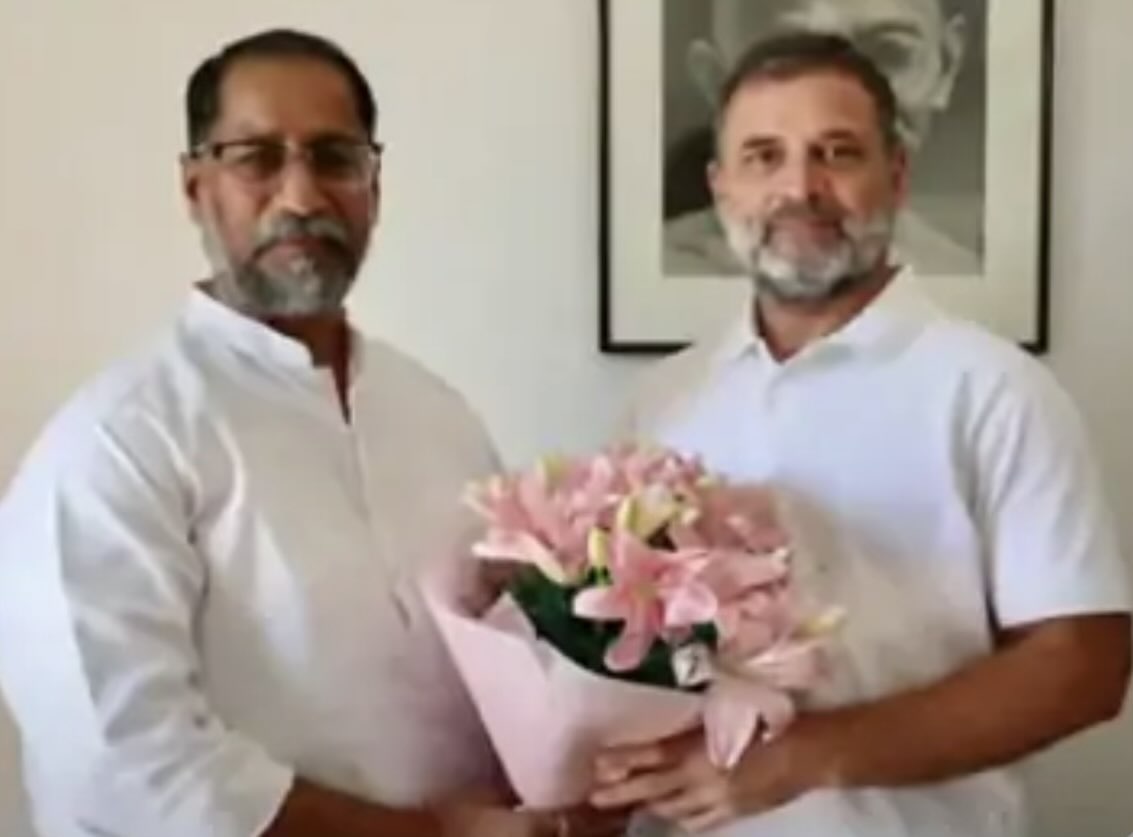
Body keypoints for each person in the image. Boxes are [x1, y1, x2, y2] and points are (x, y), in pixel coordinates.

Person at [0, 28, 618, 837]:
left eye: (334, 158)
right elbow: (127, 769)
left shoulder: (436, 416)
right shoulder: (118, 442)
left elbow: (508, 661)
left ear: (373, 186)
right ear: (196, 187)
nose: (301, 196)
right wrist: (435, 834)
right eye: (257, 158)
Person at [597, 33, 1131, 837]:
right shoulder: (661, 400)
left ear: (897, 175)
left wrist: (803, 756)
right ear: (720, 188)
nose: (799, 188)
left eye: (837, 152)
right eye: (763, 157)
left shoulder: (992, 391)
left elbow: (1083, 665)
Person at [664, 0, 980, 277]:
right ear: (718, 86)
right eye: (795, 64)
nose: (846, 108)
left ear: (946, 66)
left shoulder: (963, 279)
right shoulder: (666, 277)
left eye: (890, 54)